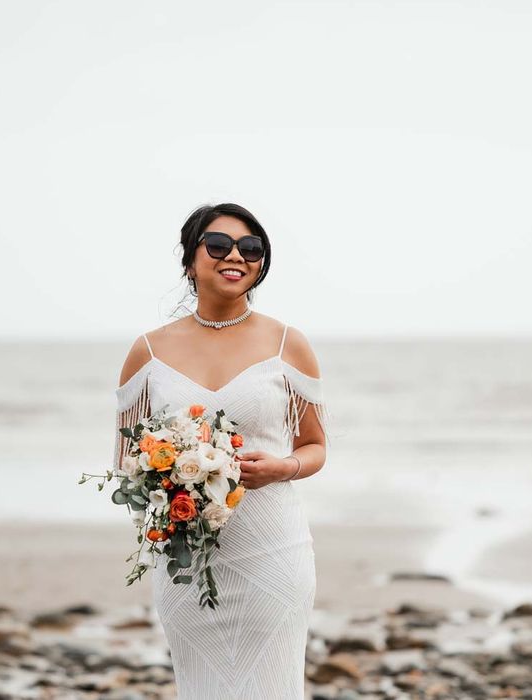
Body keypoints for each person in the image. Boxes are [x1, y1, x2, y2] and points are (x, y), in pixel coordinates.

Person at [114, 202, 330, 699]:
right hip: (187, 560)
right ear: (191, 259)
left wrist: (283, 468)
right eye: (219, 245)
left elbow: (315, 446)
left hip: (271, 549)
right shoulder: (147, 353)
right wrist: (164, 486)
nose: (236, 256)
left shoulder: (286, 344)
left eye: (251, 248)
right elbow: (128, 463)